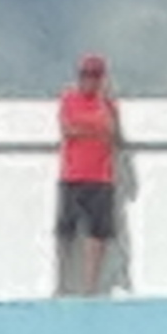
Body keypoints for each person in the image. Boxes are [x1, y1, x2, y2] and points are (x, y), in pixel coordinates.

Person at [55, 54, 122, 298]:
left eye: (95, 76)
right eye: (85, 75)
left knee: (97, 234)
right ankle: (62, 284)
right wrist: (94, 128)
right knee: (66, 232)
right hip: (73, 174)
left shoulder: (108, 104)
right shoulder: (69, 99)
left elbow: (111, 132)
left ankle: (90, 288)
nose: (89, 80)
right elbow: (68, 129)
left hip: (101, 176)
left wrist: (89, 126)